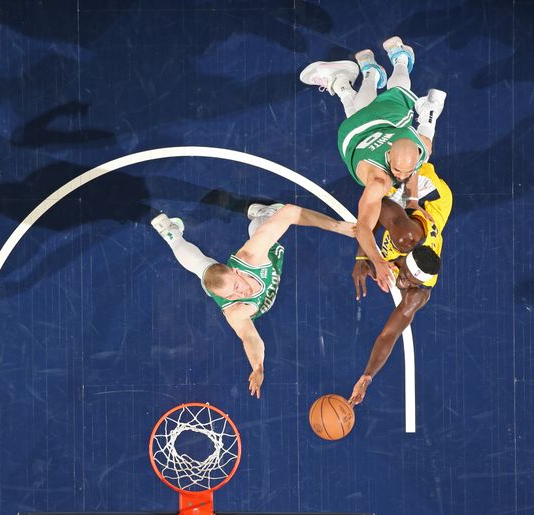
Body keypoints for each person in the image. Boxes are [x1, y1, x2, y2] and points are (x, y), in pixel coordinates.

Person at [151, 203, 355, 399]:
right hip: (227, 281)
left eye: (237, 288)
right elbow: (250, 338)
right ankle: (171, 234)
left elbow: (290, 213)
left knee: (265, 233)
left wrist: (337, 227)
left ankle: (265, 214)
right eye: (231, 296)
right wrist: (258, 366)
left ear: (237, 271)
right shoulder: (235, 310)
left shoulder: (251, 257)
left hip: (261, 261)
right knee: (202, 268)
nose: (239, 295)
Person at [300, 36, 446, 292]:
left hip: (375, 126)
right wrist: (377, 261)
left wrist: (412, 201)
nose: (400, 176)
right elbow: (363, 228)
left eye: (407, 170)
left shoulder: (419, 149)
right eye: (397, 170)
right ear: (389, 155)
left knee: (389, 100)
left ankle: (369, 74)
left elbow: (415, 159)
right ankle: (401, 58)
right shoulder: (380, 182)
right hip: (357, 136)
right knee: (373, 104)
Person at [346, 162, 453, 405]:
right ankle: (424, 133)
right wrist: (363, 256)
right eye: (404, 276)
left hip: (436, 215)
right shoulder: (404, 236)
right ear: (405, 258)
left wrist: (366, 377)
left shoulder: (418, 293)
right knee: (390, 175)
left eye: (409, 283)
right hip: (428, 195)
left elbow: (389, 334)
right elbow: (372, 208)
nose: (402, 283)